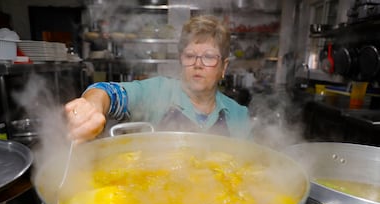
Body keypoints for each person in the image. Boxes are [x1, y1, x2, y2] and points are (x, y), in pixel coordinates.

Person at [65, 14, 251, 144]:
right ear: (181, 60)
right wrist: (93, 105)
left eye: (209, 57)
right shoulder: (158, 91)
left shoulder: (238, 115)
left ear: (224, 67)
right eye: (190, 55)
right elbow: (108, 92)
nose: (198, 64)